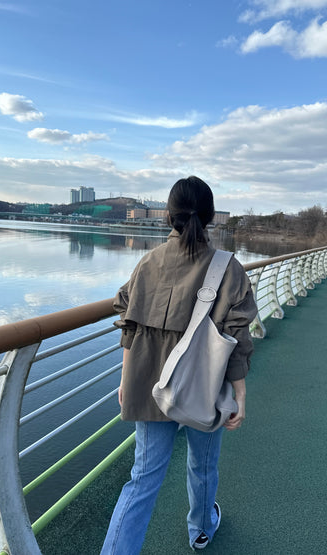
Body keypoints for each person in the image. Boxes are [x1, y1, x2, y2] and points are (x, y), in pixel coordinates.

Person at [100, 176, 257, 554]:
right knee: (203, 466)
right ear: (210, 218)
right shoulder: (228, 267)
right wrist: (239, 393)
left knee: (142, 479)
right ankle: (201, 530)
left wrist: (126, 380)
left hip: (148, 383)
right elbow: (237, 337)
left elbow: (129, 325)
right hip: (205, 384)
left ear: (168, 216)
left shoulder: (148, 262)